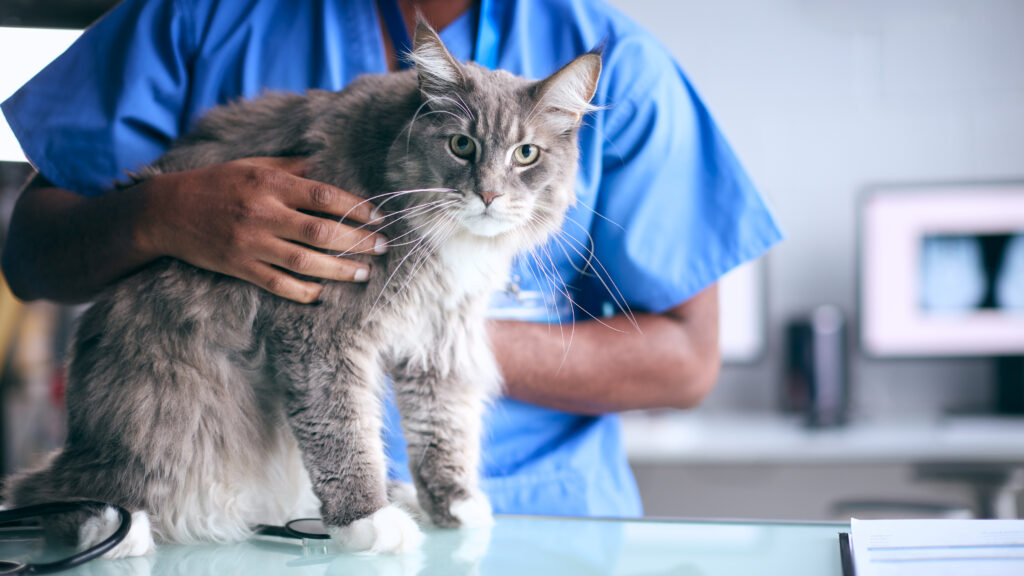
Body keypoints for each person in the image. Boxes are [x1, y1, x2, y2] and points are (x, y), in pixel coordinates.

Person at [1, 0, 781, 517]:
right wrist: (165, 213)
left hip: (538, 515)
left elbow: (685, 361)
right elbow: (29, 257)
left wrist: (420, 329)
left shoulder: (622, 62)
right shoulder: (200, 14)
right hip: (237, 503)